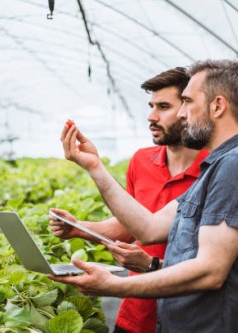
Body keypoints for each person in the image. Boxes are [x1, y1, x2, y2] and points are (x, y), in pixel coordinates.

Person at [50, 60, 238, 332]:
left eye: (187, 101)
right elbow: (148, 228)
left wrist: (115, 285)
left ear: (218, 106)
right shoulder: (219, 167)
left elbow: (210, 271)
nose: (182, 114)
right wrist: (94, 167)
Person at [49, 67, 208, 333]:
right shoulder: (141, 161)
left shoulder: (214, 169)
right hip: (136, 312)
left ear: (188, 109)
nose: (151, 116)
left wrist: (149, 265)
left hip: (188, 316)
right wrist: (79, 228)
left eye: (163, 107)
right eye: (151, 106)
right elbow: (130, 226)